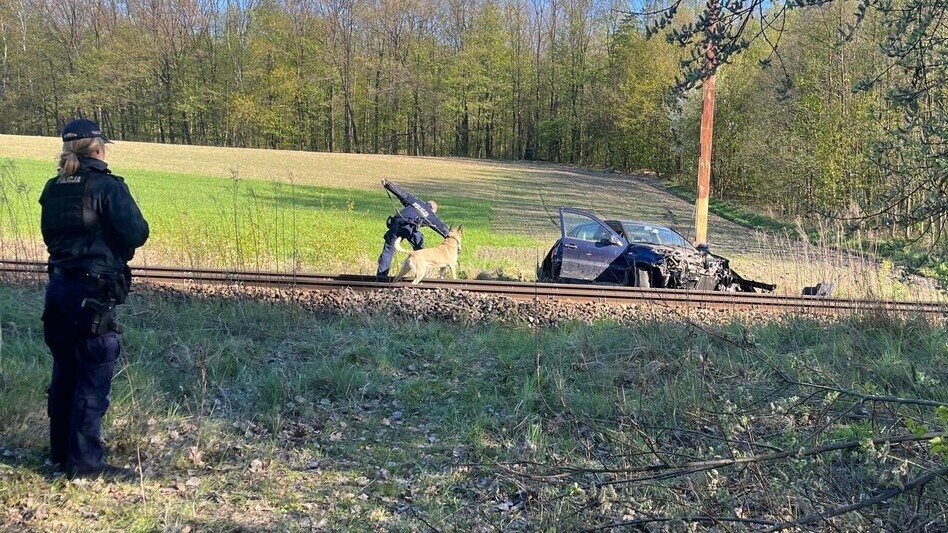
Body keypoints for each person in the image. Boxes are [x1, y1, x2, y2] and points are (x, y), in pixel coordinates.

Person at [40, 118, 150, 481]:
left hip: (57, 290)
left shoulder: (53, 187)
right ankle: (85, 465)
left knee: (65, 372)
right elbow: (138, 232)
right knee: (92, 373)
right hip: (92, 294)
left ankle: (61, 455)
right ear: (99, 148)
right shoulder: (106, 186)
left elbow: (51, 236)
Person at [376, 179, 450, 278]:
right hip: (410, 226)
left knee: (388, 250)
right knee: (420, 250)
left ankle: (381, 278)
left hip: (397, 223)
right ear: (433, 210)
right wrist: (451, 237)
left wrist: (388, 184)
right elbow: (441, 227)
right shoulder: (430, 214)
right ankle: (421, 275)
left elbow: (402, 194)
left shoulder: (416, 201)